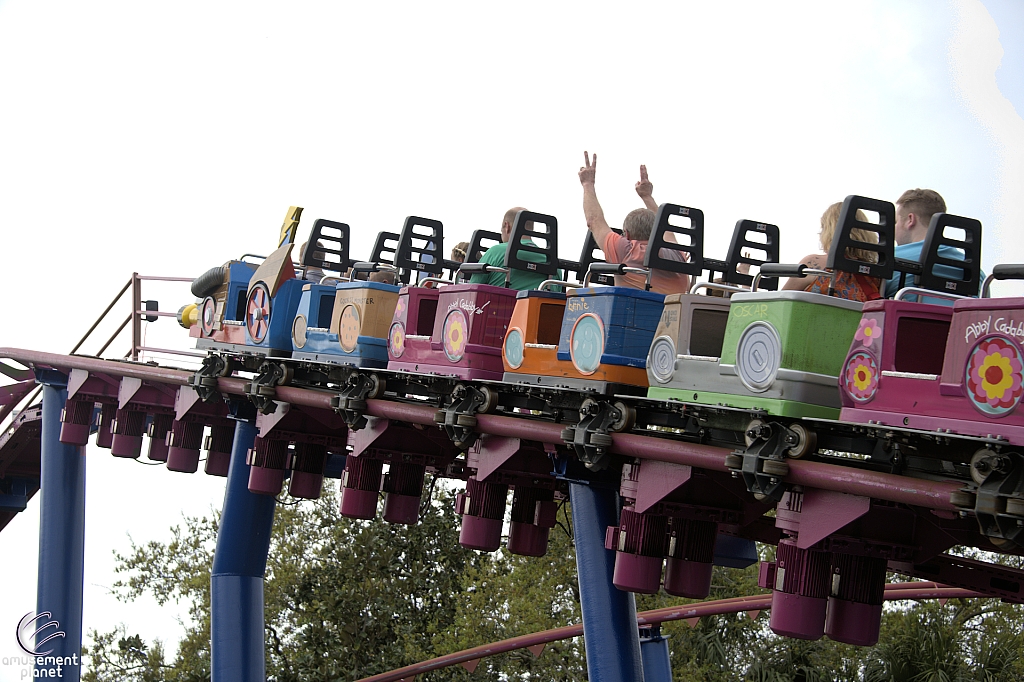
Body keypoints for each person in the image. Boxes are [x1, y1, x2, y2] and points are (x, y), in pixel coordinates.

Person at [578, 152, 689, 295]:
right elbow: (667, 232)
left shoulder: (625, 250)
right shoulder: (678, 254)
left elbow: (593, 221)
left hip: (634, 313)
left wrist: (588, 183)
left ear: (627, 234)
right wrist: (647, 196)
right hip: (674, 315)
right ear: (657, 231)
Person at [782, 202, 882, 302]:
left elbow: (780, 301)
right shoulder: (876, 272)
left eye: (823, 227)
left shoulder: (813, 262)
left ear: (830, 231)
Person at [468, 207, 559, 290]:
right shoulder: (554, 264)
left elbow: (471, 292)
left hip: (499, 307)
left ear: (507, 226)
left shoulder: (495, 252)